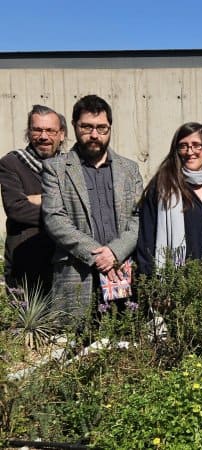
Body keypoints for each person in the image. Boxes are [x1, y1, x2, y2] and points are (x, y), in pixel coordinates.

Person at [42, 95, 143, 327]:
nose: (95, 135)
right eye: (87, 127)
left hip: (122, 270)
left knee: (125, 336)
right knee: (74, 342)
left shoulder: (129, 169)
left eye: (101, 128)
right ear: (74, 126)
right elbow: (54, 219)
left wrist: (115, 252)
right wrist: (97, 256)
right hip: (77, 273)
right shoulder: (55, 169)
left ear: (110, 127)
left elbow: (139, 217)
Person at [136, 122, 202, 281]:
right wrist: (150, 282)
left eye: (196, 145)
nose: (190, 152)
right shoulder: (162, 186)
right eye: (183, 146)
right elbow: (146, 239)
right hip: (176, 281)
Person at [0, 105, 66, 295]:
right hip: (26, 266)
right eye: (37, 130)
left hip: (64, 266)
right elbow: (17, 209)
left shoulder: (71, 166)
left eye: (50, 130)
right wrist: (63, 208)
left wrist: (42, 199)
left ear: (61, 134)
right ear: (29, 133)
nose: (43, 136)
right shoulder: (12, 163)